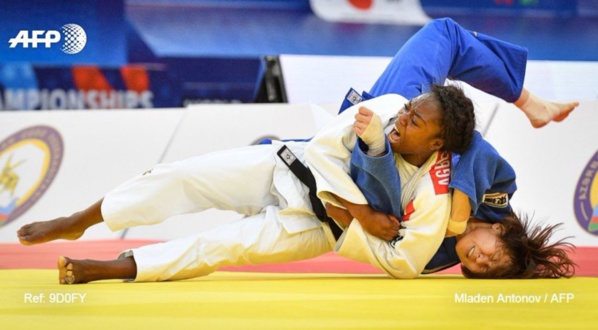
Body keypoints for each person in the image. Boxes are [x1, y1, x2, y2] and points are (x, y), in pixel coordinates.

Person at [336, 17, 577, 278]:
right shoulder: (497, 196)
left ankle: (528, 102)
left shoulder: (434, 259)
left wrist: (354, 211)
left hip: (368, 158)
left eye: (483, 270)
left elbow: (383, 245)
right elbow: (476, 145)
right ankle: (528, 101)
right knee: (445, 34)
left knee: (445, 33)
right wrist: (457, 217)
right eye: (493, 257)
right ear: (500, 230)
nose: (482, 260)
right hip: (407, 127)